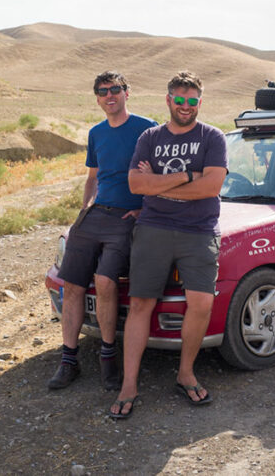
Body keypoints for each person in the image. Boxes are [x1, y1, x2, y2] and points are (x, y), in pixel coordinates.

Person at [109, 71, 227, 419]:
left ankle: (185, 372)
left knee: (201, 303)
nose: (185, 106)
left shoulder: (212, 137)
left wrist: (156, 182)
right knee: (141, 302)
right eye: (179, 99)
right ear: (168, 100)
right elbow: (134, 184)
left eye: (192, 101)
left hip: (199, 230)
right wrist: (188, 175)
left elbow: (211, 188)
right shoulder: (150, 137)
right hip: (153, 228)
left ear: (199, 103)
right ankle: (129, 383)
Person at [49, 72, 156, 391]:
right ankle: (69, 360)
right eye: (102, 91)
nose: (109, 95)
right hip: (95, 216)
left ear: (127, 93)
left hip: (127, 217)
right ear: (96, 98)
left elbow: (161, 175)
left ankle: (108, 356)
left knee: (106, 282)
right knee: (72, 284)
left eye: (115, 90)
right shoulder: (96, 133)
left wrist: (144, 209)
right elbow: (93, 177)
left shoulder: (146, 128)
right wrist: (83, 211)